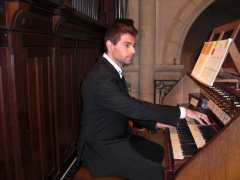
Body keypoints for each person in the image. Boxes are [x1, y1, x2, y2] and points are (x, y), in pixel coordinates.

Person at [78, 20, 210, 180]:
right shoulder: (101, 77)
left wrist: (153, 123)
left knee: (158, 151)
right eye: (127, 45)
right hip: (100, 147)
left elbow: (125, 105)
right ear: (110, 45)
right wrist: (183, 112)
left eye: (134, 45)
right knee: (157, 174)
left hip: (118, 136)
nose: (133, 50)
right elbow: (133, 107)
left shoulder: (111, 70)